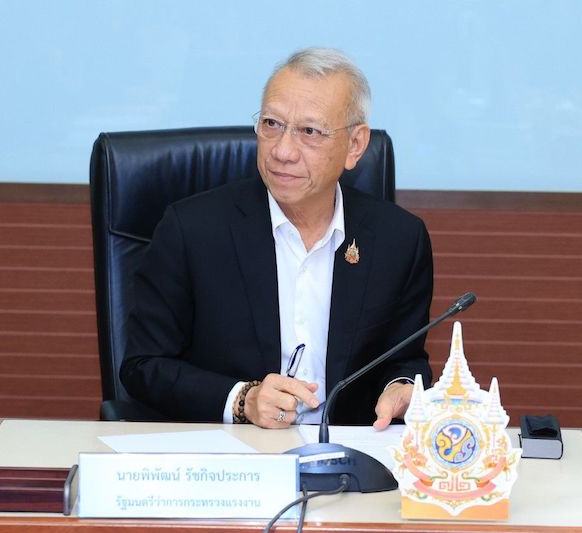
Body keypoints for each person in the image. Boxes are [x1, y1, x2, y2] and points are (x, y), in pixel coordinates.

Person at [121, 47, 433, 429]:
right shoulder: (192, 230)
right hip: (232, 452)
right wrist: (242, 400)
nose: (283, 151)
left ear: (355, 145)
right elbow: (143, 366)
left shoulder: (398, 240)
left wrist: (402, 387)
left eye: (309, 131)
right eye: (271, 124)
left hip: (346, 450)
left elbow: (404, 359)